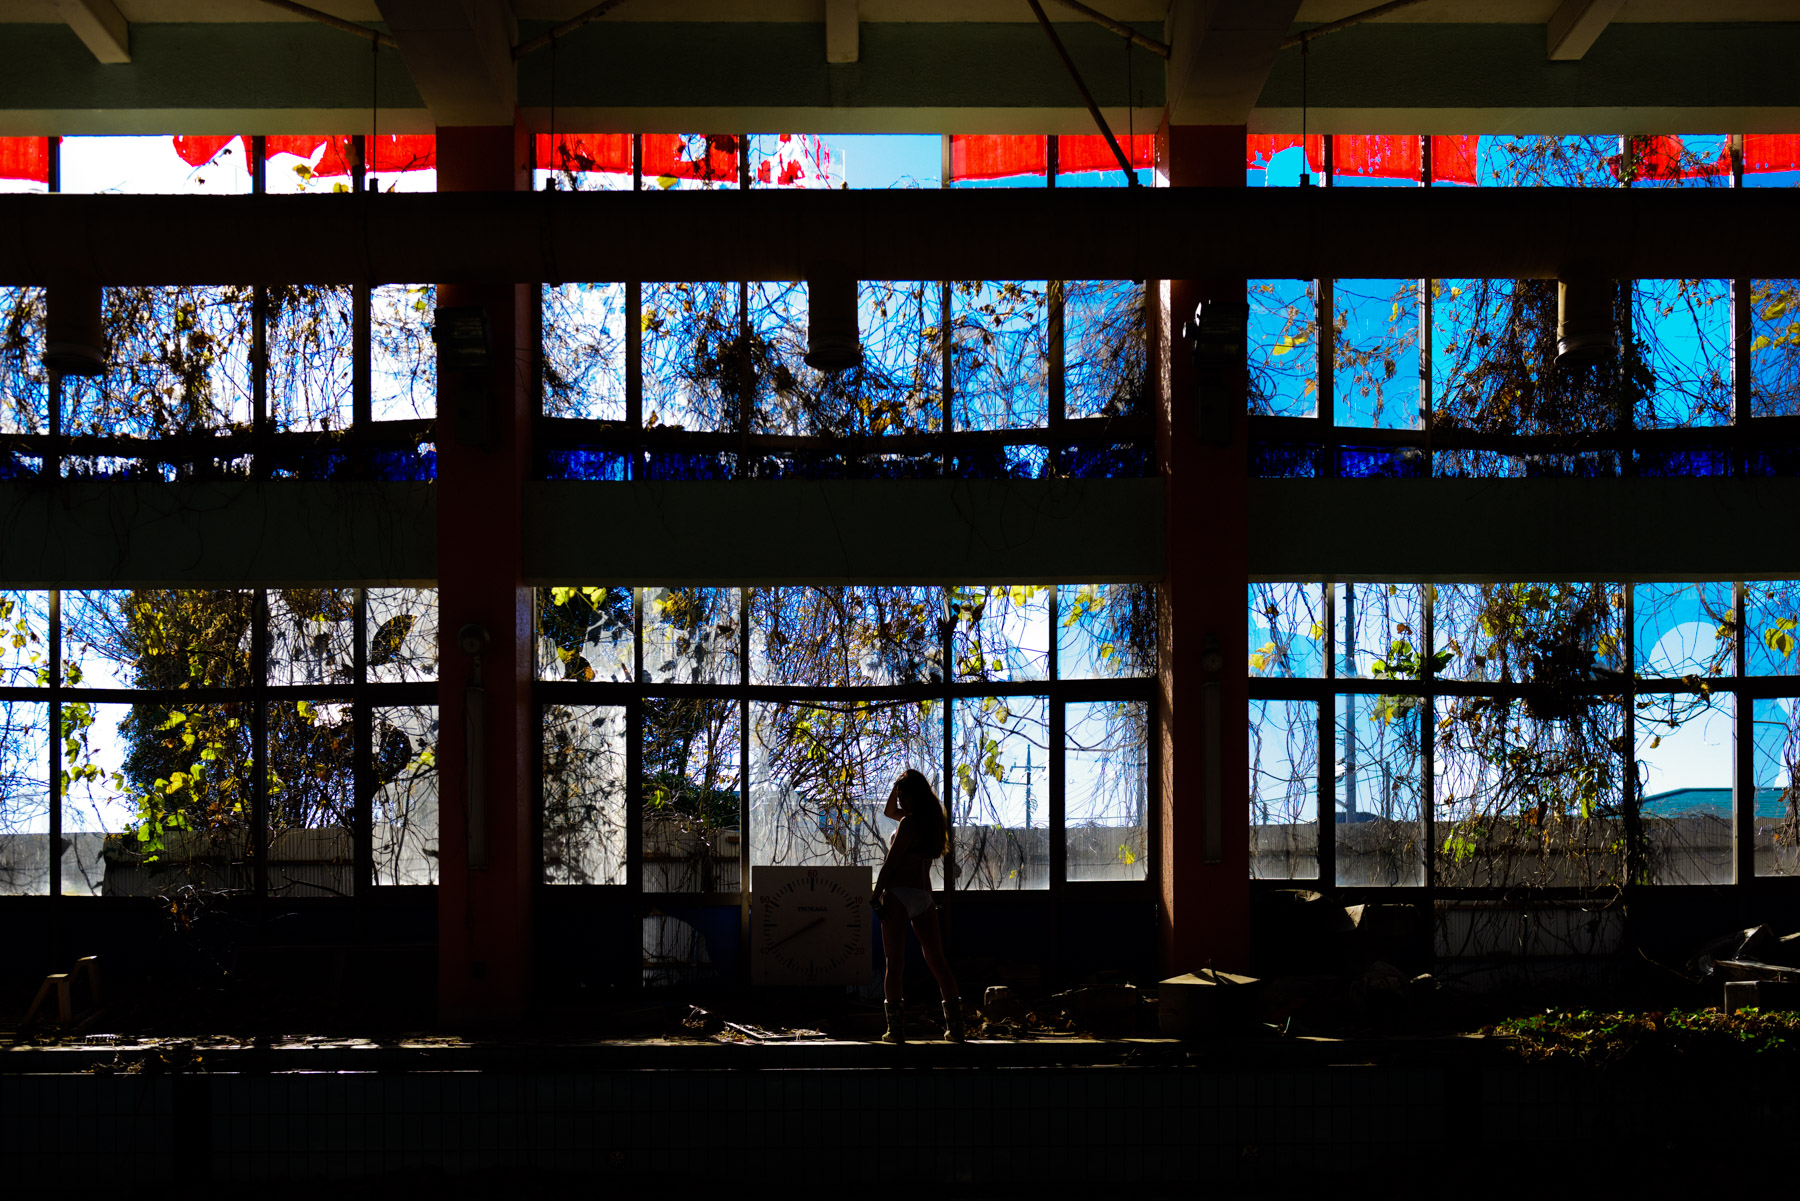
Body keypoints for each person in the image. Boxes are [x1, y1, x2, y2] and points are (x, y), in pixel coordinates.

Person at [871, 768, 963, 1044]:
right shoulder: (931, 822)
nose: (900, 803)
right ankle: (956, 1029)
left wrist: (876, 895)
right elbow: (890, 811)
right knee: (937, 962)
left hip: (898, 894)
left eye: (904, 797)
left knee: (894, 963)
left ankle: (895, 1030)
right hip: (924, 897)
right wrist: (898, 784)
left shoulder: (909, 824)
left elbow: (891, 863)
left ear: (913, 797)